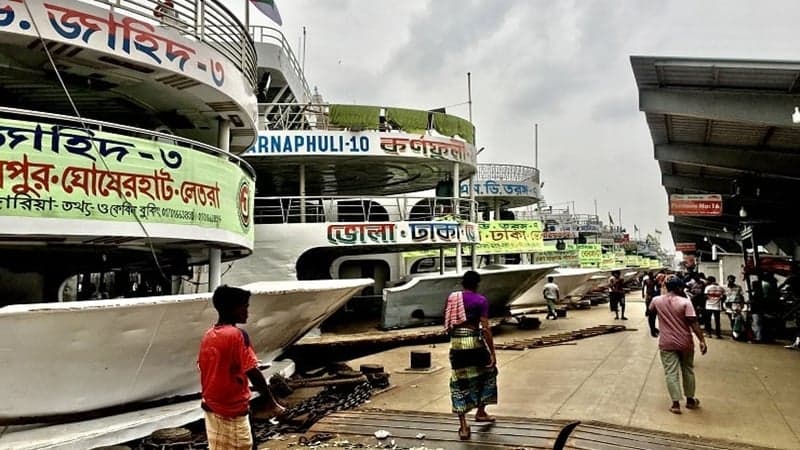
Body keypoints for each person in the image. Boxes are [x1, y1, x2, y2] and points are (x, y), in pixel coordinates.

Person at [198, 285, 285, 450]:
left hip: (212, 406)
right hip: (232, 409)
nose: (247, 312)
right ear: (233, 308)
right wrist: (271, 402)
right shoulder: (237, 335)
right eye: (244, 307)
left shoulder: (208, 335)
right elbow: (252, 371)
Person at [445, 271, 498, 440]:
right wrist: (492, 352)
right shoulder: (481, 300)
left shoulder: (453, 298)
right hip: (474, 344)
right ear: (477, 284)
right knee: (488, 373)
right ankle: (481, 411)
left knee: (459, 383)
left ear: (463, 283)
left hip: (456, 345)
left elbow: (449, 322)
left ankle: (463, 427)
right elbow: (485, 328)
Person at [649, 277, 707, 414]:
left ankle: (675, 404)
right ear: (679, 288)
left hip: (666, 342)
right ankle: (690, 400)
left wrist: (652, 329)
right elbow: (693, 322)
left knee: (670, 372)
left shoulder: (656, 300)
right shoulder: (685, 302)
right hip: (685, 342)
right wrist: (702, 340)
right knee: (687, 370)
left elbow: (650, 314)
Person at [723, 275, 746, 339]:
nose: (731, 281)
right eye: (730, 279)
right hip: (728, 306)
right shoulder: (724, 287)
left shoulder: (738, 287)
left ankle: (736, 333)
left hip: (737, 304)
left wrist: (742, 304)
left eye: (732, 279)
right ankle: (734, 332)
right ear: (728, 280)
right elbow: (723, 296)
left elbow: (741, 296)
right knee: (732, 320)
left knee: (737, 319)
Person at [643, 271, 660, 337]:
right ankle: (652, 329)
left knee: (652, 314)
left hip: (653, 295)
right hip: (649, 294)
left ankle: (653, 328)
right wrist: (643, 294)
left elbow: (657, 287)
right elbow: (643, 288)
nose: (651, 275)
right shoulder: (646, 280)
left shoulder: (655, 281)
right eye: (650, 274)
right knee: (651, 313)